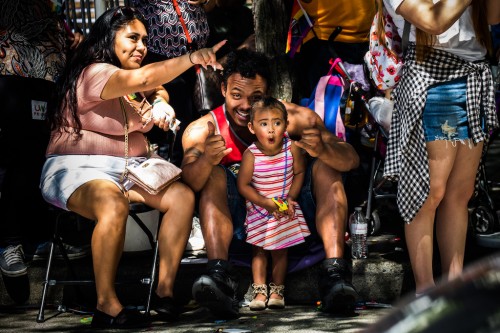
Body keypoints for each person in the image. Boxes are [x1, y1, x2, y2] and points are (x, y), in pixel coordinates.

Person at [39, 6, 224, 329]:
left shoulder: (128, 83)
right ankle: (106, 305)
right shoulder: (95, 71)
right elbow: (146, 76)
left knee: (180, 197)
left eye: (144, 40)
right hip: (79, 168)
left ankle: (163, 292)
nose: (141, 46)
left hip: (131, 168)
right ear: (109, 39)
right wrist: (192, 58)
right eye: (132, 38)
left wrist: (161, 102)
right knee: (112, 201)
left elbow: (153, 85)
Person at [181, 48, 360, 318]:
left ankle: (335, 273)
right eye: (236, 95)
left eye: (256, 97)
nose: (244, 106)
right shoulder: (202, 129)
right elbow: (189, 184)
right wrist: (207, 159)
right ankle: (218, 275)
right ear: (222, 89)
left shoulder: (294, 119)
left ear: (269, 93)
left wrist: (323, 149)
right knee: (212, 175)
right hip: (244, 233)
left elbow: (351, 160)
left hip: (295, 223)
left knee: (327, 166)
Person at [382, 0, 500, 297]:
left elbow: (494, 16)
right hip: (432, 78)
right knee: (429, 192)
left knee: (460, 195)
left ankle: (453, 288)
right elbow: (432, 22)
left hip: (473, 75)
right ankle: (425, 291)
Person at [0, 0, 84, 303]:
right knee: (19, 156)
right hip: (12, 68)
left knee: (39, 155)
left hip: (47, 72)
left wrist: (66, 34)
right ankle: (10, 242)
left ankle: (38, 237)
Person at [237, 97, 310, 311]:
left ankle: (277, 290)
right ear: (251, 127)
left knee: (281, 251)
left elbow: (299, 173)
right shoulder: (251, 155)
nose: (271, 130)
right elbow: (243, 185)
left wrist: (290, 198)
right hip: (260, 209)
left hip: (284, 210)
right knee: (259, 251)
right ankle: (260, 291)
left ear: (286, 125)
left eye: (277, 123)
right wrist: (264, 203)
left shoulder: (291, 149)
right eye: (264, 124)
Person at [130, 0, 211, 166]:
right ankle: (171, 166)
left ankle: (191, 165)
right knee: (172, 119)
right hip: (161, 55)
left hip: (194, 55)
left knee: (196, 117)